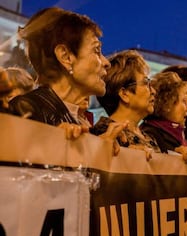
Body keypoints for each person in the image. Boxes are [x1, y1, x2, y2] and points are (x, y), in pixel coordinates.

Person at [7, 7, 125, 152]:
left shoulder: (81, 120)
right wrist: (51, 145)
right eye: (97, 50)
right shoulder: (25, 110)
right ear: (66, 57)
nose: (106, 62)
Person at [90, 49, 159, 160]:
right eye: (146, 82)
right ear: (124, 94)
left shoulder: (147, 137)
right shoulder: (105, 134)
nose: (153, 91)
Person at [140, 71, 187, 165]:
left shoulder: (172, 134)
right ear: (167, 103)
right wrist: (174, 153)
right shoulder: (151, 134)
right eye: (184, 101)